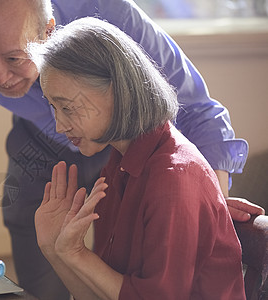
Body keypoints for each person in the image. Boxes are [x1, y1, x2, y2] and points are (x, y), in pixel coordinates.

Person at [0, 0, 263, 299]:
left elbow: (199, 110)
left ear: (48, 31)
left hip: (123, 138)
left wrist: (207, 202)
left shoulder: (110, 16)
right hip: (45, 143)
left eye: (13, 58)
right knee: (63, 250)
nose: (0, 77)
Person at [32, 17, 246, 299]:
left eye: (68, 108)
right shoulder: (118, 164)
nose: (59, 125)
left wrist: (77, 254)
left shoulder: (174, 179)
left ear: (118, 91)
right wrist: (56, 250)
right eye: (53, 107)